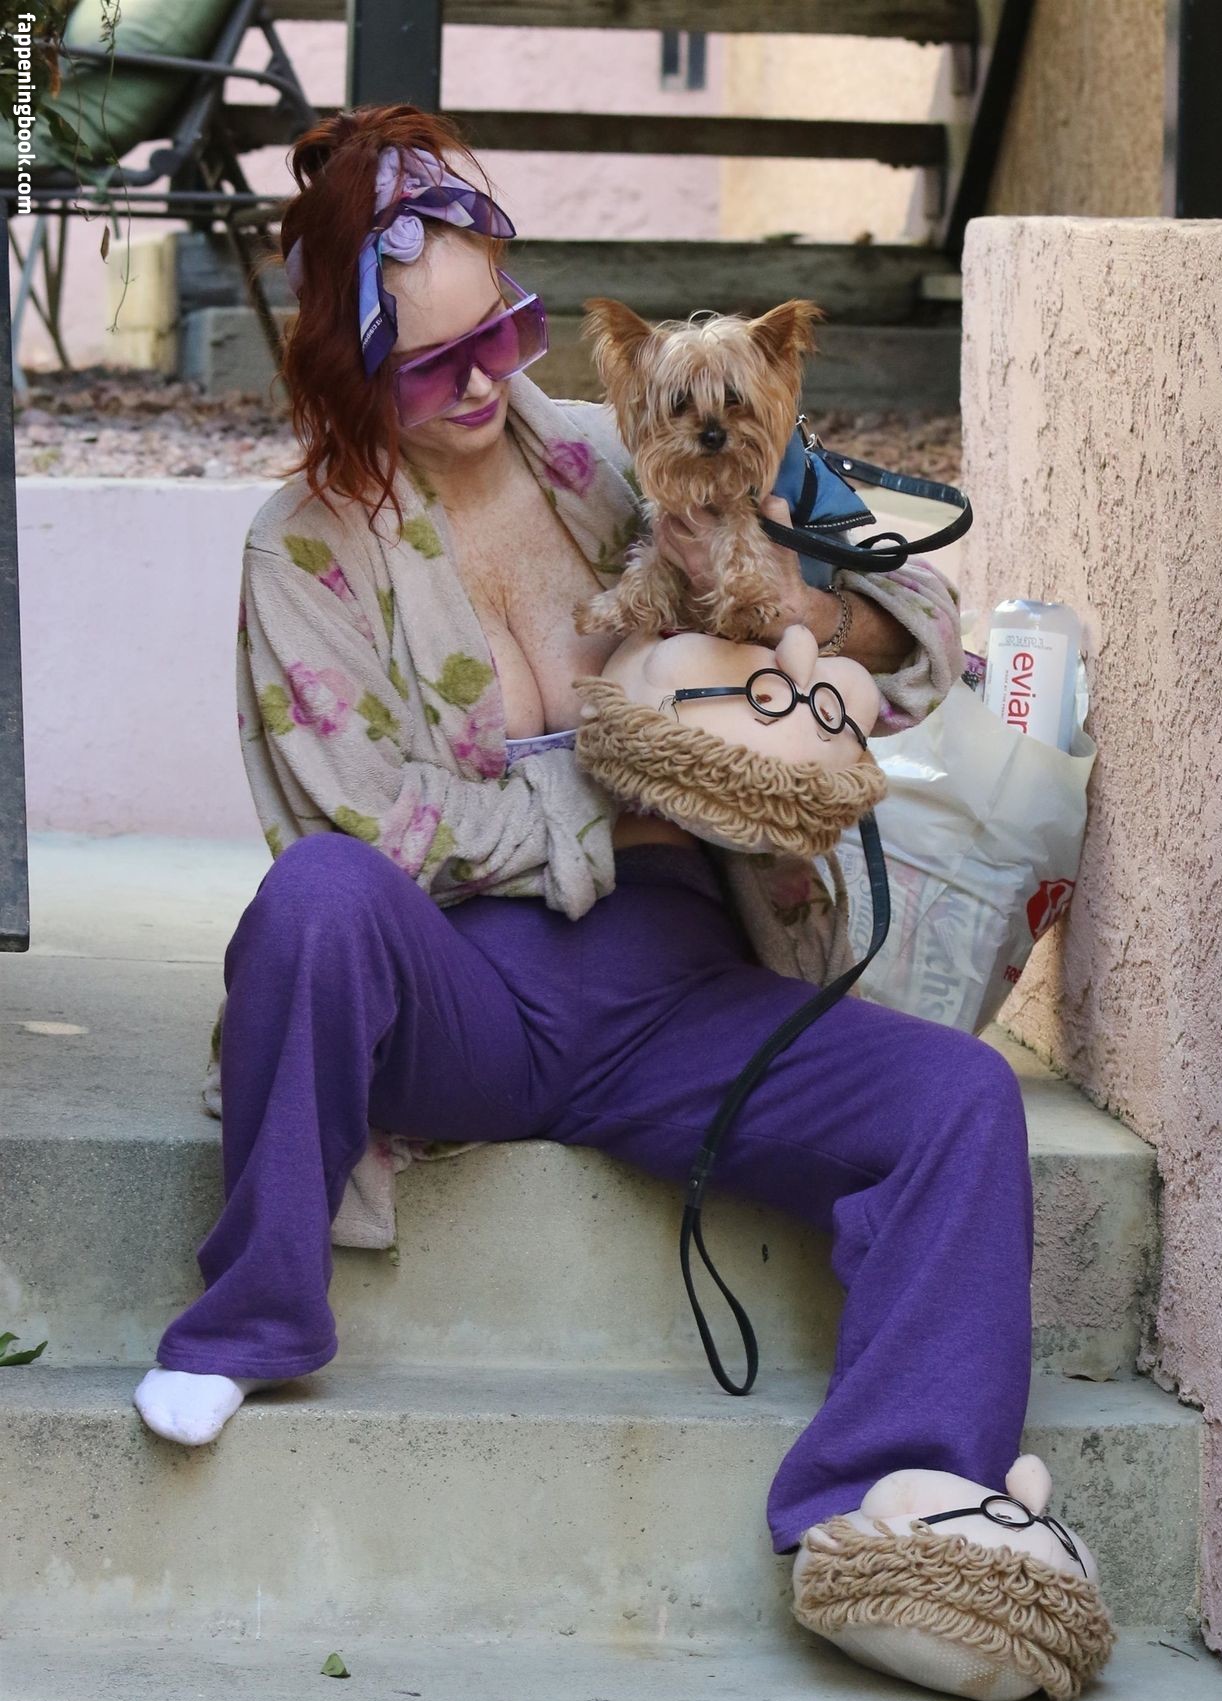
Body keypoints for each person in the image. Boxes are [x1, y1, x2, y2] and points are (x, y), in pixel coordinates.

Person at [133, 105, 1033, 1605]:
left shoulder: (628, 447)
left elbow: (923, 622)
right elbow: (372, 816)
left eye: (505, 329)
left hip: (688, 1000)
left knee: (962, 1101)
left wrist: (800, 605)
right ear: (344, 366)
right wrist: (625, 795)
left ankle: (887, 1503)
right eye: (433, 363)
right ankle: (256, 1316)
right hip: (463, 1004)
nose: (488, 380)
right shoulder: (303, 550)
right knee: (314, 898)